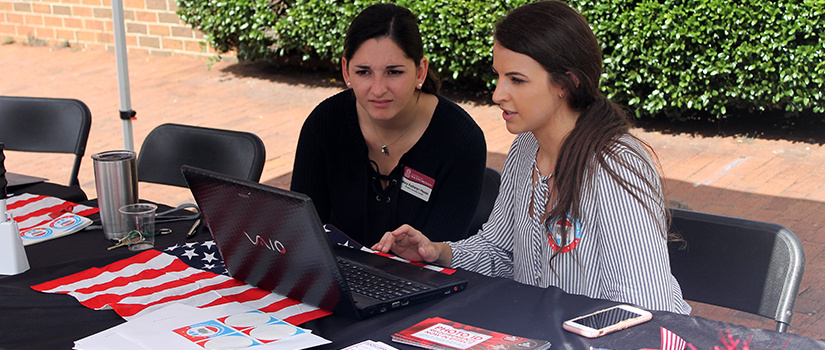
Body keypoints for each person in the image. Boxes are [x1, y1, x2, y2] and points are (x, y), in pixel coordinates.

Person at [373, 1, 691, 314]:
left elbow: (649, 308)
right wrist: (437, 252)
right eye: (499, 76)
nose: (498, 94)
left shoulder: (614, 165)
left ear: (567, 83)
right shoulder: (526, 147)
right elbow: (500, 250)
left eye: (517, 80)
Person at [290, 4, 487, 248]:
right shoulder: (325, 123)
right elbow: (301, 231)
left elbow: (441, 254)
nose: (378, 89)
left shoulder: (461, 141)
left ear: (420, 72)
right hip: (334, 277)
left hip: (422, 281)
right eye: (363, 72)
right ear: (346, 71)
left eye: (393, 72)